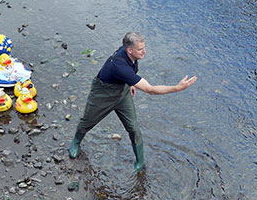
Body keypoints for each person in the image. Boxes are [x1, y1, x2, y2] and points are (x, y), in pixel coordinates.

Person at [69, 32, 197, 171]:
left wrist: (130, 84)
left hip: (122, 93)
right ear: (129, 50)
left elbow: (129, 73)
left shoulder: (129, 53)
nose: (144, 51)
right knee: (88, 121)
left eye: (144, 47)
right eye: (140, 49)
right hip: (102, 93)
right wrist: (177, 88)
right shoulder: (119, 65)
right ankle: (76, 141)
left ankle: (140, 162)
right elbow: (150, 89)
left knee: (133, 128)